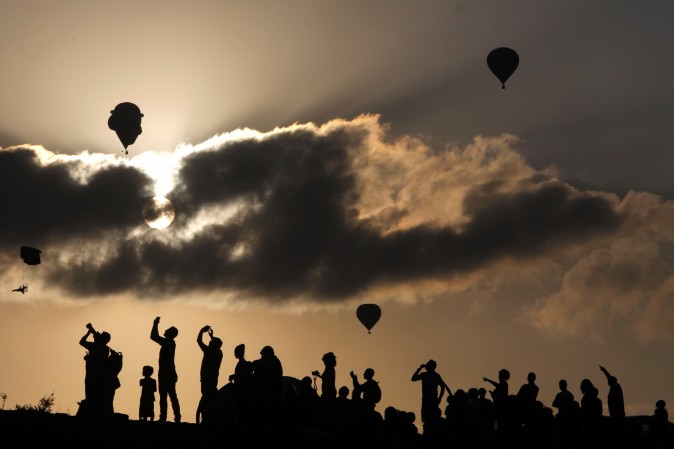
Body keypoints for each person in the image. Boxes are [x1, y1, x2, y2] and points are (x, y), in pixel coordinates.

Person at [79, 323, 115, 419]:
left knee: (91, 393)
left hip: (93, 374)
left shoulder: (96, 346)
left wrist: (88, 333)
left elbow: (81, 342)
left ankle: (91, 412)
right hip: (99, 374)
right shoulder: (105, 348)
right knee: (96, 394)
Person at [150, 316, 181, 423]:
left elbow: (154, 336)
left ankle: (170, 417)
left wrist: (155, 323)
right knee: (168, 395)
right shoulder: (169, 342)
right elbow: (154, 336)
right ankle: (171, 417)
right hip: (167, 372)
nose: (165, 330)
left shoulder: (169, 342)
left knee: (168, 396)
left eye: (167, 330)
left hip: (166, 372)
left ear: (170, 333)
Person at [411, 360, 449, 428]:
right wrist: (439, 398)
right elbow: (413, 379)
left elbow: (443, 387)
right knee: (427, 418)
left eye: (427, 364)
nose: (426, 364)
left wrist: (439, 398)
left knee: (430, 417)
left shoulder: (429, 375)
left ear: (430, 366)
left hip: (431, 399)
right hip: (428, 399)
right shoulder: (431, 375)